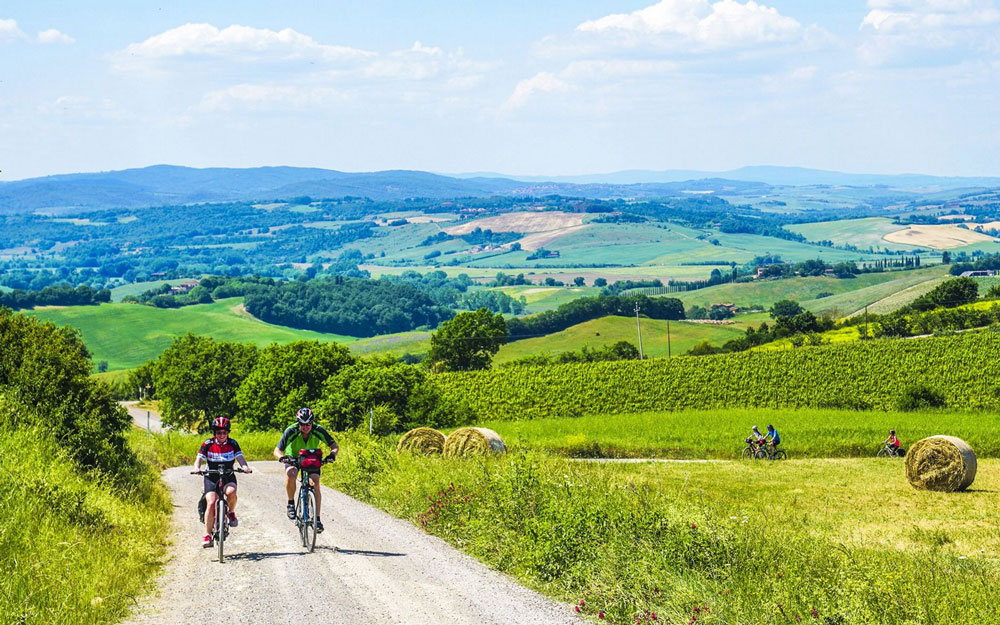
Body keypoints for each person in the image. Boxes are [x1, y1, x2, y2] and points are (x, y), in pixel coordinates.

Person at [273, 407, 339, 533]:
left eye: (308, 424)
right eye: (302, 424)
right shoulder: (291, 430)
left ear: (312, 422)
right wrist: (282, 458)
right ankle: (291, 503)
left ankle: (317, 519)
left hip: (311, 458)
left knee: (315, 483)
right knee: (291, 474)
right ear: (298, 423)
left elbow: (334, 446)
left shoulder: (318, 430)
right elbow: (277, 450)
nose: (305, 427)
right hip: (293, 457)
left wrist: (332, 455)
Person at [193, 417, 251, 548]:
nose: (222, 435)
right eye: (219, 432)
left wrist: (245, 467)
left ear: (228, 433)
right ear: (214, 433)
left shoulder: (233, 443)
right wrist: (196, 468)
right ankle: (207, 535)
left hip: (228, 475)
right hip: (211, 476)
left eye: (224, 432)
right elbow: (199, 458)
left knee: (231, 492)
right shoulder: (207, 444)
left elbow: (240, 458)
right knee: (211, 502)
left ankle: (231, 512)